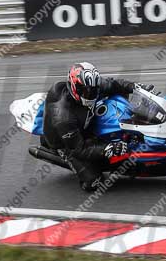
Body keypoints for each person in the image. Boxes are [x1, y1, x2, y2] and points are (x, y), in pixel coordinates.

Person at [29, 61, 154, 191]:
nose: (90, 94)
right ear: (74, 87)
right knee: (94, 183)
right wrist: (107, 148)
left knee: (118, 94)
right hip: (66, 143)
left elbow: (115, 84)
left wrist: (137, 87)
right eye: (85, 91)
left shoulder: (92, 85)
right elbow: (79, 149)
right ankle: (64, 158)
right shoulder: (63, 116)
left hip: (83, 123)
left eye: (93, 90)